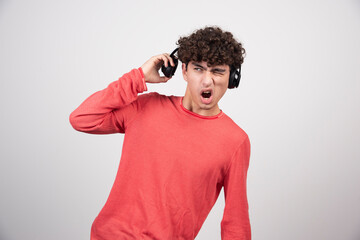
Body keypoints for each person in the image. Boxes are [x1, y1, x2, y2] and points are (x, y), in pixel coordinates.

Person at [69, 26, 251, 240]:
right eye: (198, 68)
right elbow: (82, 119)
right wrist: (138, 77)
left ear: (232, 78)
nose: (207, 80)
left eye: (218, 71)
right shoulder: (146, 107)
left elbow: (235, 221)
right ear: (184, 71)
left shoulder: (235, 141)